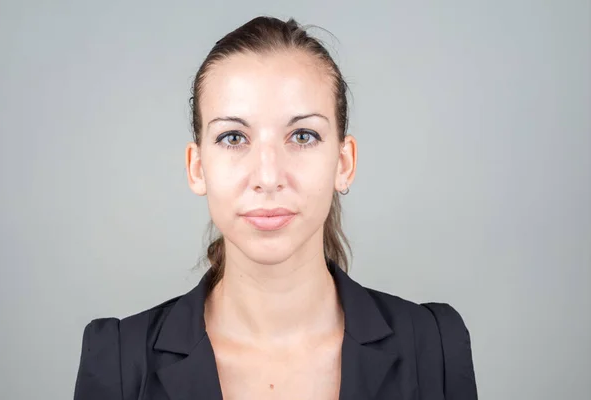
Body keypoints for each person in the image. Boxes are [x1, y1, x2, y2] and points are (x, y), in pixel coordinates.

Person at [74, 16, 477, 400]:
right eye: (233, 138)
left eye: (302, 135)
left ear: (344, 162)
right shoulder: (119, 361)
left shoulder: (433, 345)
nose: (268, 176)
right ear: (197, 168)